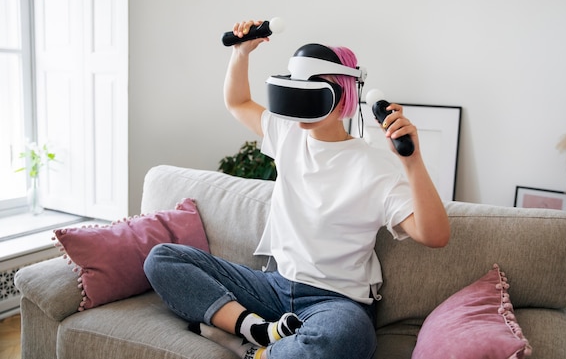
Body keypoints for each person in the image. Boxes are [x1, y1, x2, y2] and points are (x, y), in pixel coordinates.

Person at [144, 19, 450, 359]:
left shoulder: (374, 166)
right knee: (162, 258)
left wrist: (412, 161)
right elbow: (238, 102)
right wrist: (241, 52)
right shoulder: (287, 134)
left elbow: (434, 234)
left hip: (335, 302)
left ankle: (253, 351)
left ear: (340, 95)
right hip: (273, 287)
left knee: (347, 338)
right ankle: (253, 329)